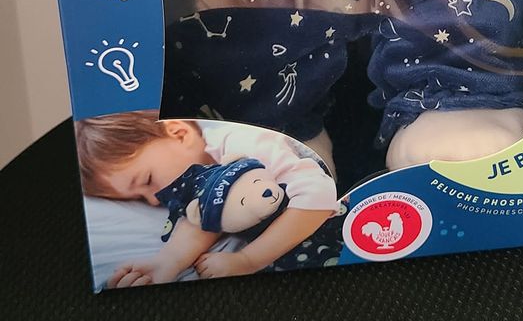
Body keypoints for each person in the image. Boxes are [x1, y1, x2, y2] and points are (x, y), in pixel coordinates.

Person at [75, 111, 339, 286]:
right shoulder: (195, 181)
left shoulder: (241, 142)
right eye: (139, 199)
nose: (154, 200)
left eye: (146, 180)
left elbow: (318, 195)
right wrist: (168, 262)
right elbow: (205, 215)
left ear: (179, 134)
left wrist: (248, 260)